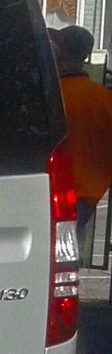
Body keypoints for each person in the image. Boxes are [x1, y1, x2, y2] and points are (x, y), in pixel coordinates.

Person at [52, 25, 112, 264]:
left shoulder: (52, 97)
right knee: (70, 247)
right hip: (90, 191)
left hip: (53, 187)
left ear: (59, 52)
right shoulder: (104, 99)